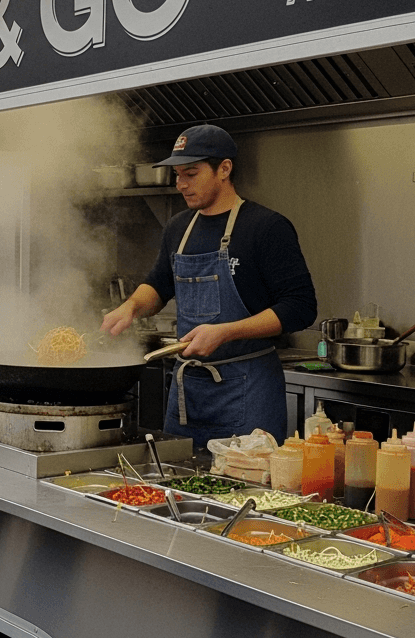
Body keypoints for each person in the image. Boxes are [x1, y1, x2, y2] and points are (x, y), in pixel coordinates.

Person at [101, 124, 316, 444]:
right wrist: (130, 307)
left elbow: (301, 307)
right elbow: (159, 285)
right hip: (188, 396)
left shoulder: (266, 227)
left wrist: (225, 331)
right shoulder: (178, 228)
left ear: (224, 169)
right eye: (177, 175)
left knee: (245, 478)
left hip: (247, 392)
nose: (181, 184)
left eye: (191, 174)